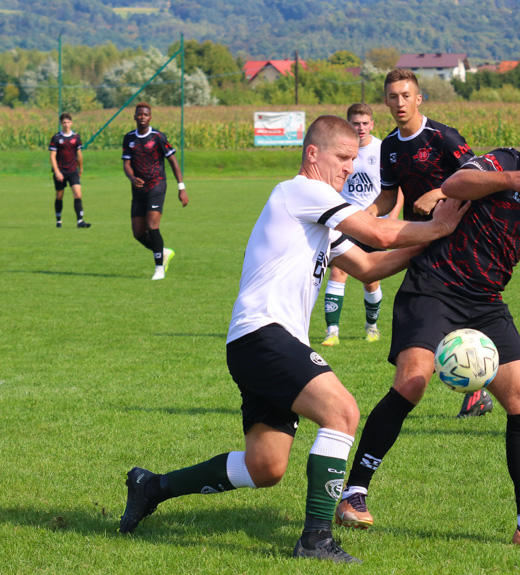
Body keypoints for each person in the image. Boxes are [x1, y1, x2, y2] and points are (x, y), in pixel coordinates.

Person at [118, 115, 468, 564]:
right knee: (342, 412)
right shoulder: (301, 191)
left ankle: (152, 486)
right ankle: (315, 539)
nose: (349, 168)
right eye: (343, 158)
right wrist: (440, 227)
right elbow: (379, 232)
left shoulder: (319, 217)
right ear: (313, 154)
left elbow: (371, 265)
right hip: (264, 334)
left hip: (259, 343)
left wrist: (432, 243)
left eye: (354, 159)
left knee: (265, 466)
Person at [336, 115, 520, 552]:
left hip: (485, 301)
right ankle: (353, 492)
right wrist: (513, 176)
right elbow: (453, 186)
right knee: (413, 380)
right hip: (434, 285)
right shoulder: (505, 162)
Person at [370, 67, 493, 418]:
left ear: (418, 98)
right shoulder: (390, 146)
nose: (399, 103)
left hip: (457, 239)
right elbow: (387, 196)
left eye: (406, 95)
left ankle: (470, 386)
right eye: (393, 97)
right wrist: (360, 216)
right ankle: (474, 388)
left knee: (429, 310)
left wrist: (438, 192)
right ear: (386, 101)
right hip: (420, 239)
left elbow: (478, 174)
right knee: (434, 311)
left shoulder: (442, 136)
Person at [321, 103, 403, 347]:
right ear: (348, 125)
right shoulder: (339, 150)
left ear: (372, 125)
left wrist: (393, 216)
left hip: (374, 224)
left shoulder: (382, 149)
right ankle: (332, 331)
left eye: (365, 123)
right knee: (338, 271)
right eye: (355, 123)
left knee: (371, 278)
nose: (360, 128)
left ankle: (372, 327)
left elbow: (396, 187)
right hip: (345, 221)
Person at [122, 102, 189, 281]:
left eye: (145, 114)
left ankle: (159, 269)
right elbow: (126, 163)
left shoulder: (158, 137)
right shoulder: (129, 138)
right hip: (138, 189)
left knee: (152, 226)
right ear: (135, 117)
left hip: (156, 185)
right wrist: (131, 178)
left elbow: (173, 161)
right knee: (138, 233)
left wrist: (181, 188)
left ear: (150, 117)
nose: (142, 117)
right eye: (139, 114)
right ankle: (163, 252)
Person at [49, 112, 90, 228]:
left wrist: (80, 168)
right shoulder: (56, 138)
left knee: (78, 194)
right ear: (61, 124)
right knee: (59, 196)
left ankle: (80, 221)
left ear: (71, 123)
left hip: (73, 170)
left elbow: (79, 154)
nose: (66, 124)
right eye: (64, 123)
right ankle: (58, 220)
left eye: (68, 122)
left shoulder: (76, 137)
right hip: (60, 171)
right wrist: (57, 171)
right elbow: (52, 156)